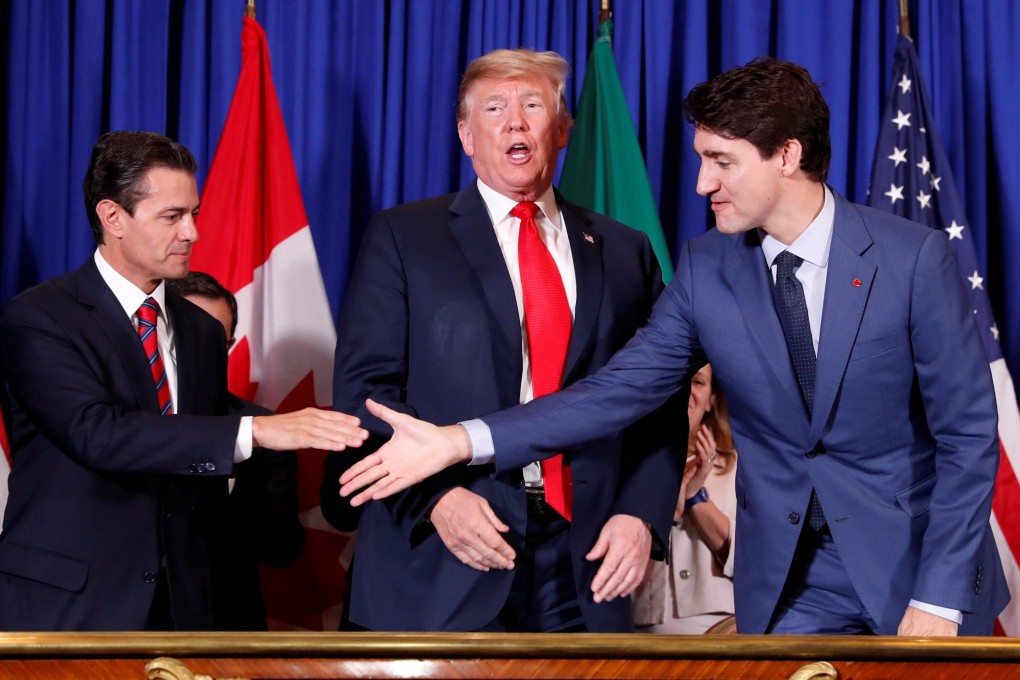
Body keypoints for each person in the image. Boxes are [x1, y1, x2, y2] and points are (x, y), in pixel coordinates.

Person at [338, 58, 1010, 636]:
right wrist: (461, 442)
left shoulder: (912, 259)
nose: (701, 186)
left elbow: (968, 435)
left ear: (786, 156)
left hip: (917, 570)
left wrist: (937, 594)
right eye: (700, 161)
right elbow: (616, 392)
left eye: (722, 162)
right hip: (789, 588)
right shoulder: (706, 269)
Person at [320, 48, 683, 633]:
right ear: (466, 136)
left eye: (532, 105)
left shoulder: (624, 250)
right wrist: (436, 499)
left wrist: (641, 515)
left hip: (584, 563)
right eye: (494, 108)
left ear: (562, 129)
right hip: (445, 552)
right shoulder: (404, 237)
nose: (515, 121)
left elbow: (658, 400)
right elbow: (366, 394)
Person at [0, 130, 366, 631]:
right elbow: (97, 434)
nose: (191, 232)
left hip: (183, 611)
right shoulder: (40, 317)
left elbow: (195, 472)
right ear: (113, 218)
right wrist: (256, 431)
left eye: (193, 214)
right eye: (172, 217)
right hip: (71, 607)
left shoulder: (199, 331)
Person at [166, 271, 304, 631]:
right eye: (188, 337)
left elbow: (282, 549)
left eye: (215, 341)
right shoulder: (119, 419)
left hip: (225, 625)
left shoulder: (267, 430)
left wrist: (229, 466)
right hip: (125, 625)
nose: (200, 352)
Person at [632, 364, 737, 634]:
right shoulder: (633, 466)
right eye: (678, 381)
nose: (686, 391)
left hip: (721, 629)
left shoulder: (740, 467)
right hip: (643, 630)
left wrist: (695, 496)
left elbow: (754, 557)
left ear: (712, 399)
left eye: (698, 382)